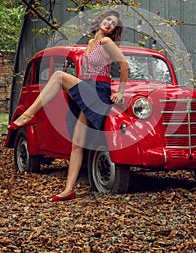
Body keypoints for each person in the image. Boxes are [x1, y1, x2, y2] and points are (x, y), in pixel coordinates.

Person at [8, 10, 129, 202]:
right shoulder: (90, 44)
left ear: (114, 29)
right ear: (100, 20)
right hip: (87, 86)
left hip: (98, 90)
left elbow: (124, 66)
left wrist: (120, 92)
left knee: (58, 77)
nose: (109, 24)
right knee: (77, 143)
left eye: (113, 23)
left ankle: (28, 114)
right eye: (107, 19)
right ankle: (69, 190)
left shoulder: (106, 42)